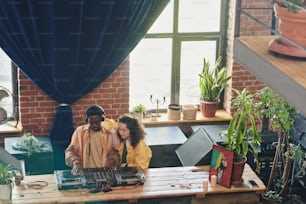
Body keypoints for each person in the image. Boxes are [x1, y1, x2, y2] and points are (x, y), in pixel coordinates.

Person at [65, 105, 120, 175]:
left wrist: (111, 163)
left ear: (102, 119)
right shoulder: (80, 132)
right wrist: (76, 164)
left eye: (97, 122)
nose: (94, 125)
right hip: (85, 173)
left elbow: (114, 153)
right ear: (86, 120)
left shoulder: (109, 134)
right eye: (91, 122)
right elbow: (70, 151)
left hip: (103, 173)